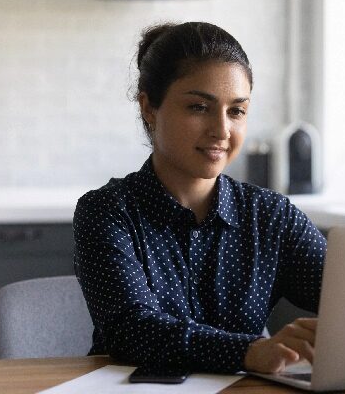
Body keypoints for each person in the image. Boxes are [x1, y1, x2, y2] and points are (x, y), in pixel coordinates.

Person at [73, 21, 326, 374]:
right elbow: (131, 330)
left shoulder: (272, 216)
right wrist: (249, 352)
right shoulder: (107, 211)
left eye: (236, 110)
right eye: (198, 107)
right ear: (149, 108)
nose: (222, 130)